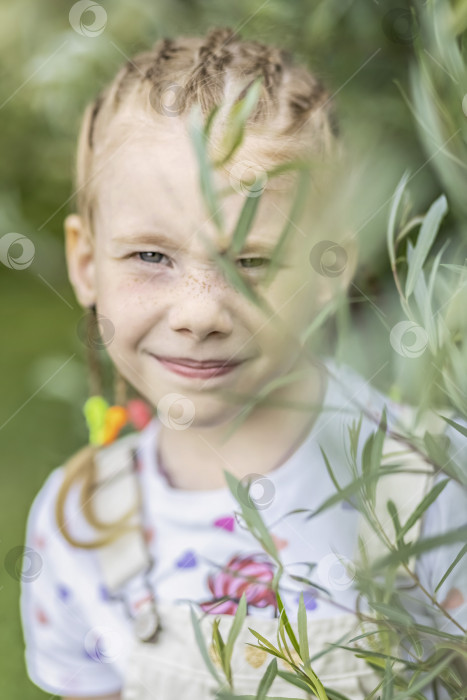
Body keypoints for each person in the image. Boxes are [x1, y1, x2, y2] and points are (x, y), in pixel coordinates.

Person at [19, 25, 467, 700]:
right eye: (150, 257)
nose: (199, 314)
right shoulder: (80, 525)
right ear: (85, 265)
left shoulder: (426, 484)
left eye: (251, 261)